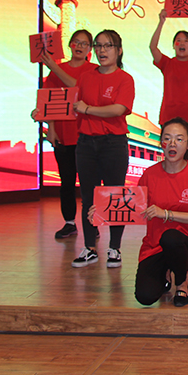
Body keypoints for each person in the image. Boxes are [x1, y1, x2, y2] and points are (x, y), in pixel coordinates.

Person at [133, 117, 188, 307]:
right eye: (167, 138)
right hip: (155, 245)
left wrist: (166, 214)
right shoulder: (149, 175)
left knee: (171, 237)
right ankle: (165, 274)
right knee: (145, 297)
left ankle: (181, 283)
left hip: (187, 246)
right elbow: (134, 209)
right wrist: (101, 212)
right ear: (161, 142)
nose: (172, 143)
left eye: (179, 139)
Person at [70, 29, 134, 268]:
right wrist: (43, 112)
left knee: (116, 196)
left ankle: (114, 248)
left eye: (108, 46)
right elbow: (74, 105)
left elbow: (119, 109)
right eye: (98, 46)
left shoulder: (124, 79)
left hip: (113, 144)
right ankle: (89, 248)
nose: (102, 50)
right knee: (88, 197)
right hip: (86, 143)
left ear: (119, 50)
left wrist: (88, 109)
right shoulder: (86, 76)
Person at [38, 29, 97, 239]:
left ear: (90, 49)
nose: (79, 46)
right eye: (76, 42)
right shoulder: (57, 70)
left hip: (87, 135)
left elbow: (79, 89)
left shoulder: (94, 70)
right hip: (63, 134)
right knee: (67, 182)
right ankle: (69, 223)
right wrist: (51, 129)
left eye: (84, 43)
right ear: (70, 45)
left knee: (90, 184)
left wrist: (53, 67)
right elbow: (48, 99)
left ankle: (93, 223)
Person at [149, 8, 188, 164]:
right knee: (170, 159)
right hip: (169, 118)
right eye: (178, 41)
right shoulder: (167, 63)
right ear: (174, 46)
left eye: (186, 41)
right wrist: (161, 22)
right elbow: (153, 48)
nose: (182, 43)